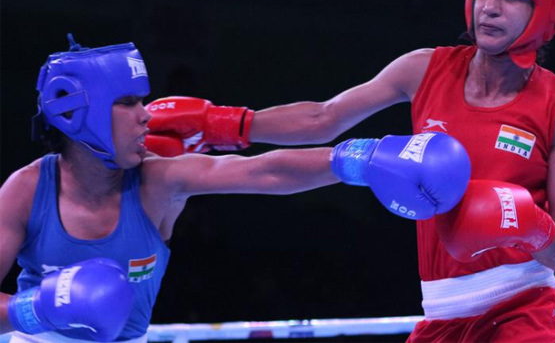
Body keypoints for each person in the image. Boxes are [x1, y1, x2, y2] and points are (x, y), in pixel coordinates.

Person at [146, 0, 555, 343]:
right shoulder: (425, 69)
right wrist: (221, 125)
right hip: (442, 315)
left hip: (525, 312)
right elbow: (323, 118)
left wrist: (530, 225)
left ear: (543, 12)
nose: (489, 8)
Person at [0, 35, 471, 343]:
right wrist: (35, 309)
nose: (146, 115)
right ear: (76, 115)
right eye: (127, 103)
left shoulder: (157, 182)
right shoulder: (25, 192)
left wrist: (358, 160)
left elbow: (263, 172)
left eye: (142, 101)